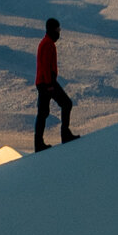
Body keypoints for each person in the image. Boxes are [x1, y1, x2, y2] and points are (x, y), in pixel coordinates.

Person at [34, 18, 79, 151]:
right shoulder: (48, 44)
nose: (59, 32)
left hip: (42, 82)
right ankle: (65, 134)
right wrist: (49, 84)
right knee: (66, 103)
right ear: (52, 29)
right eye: (58, 29)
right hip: (47, 82)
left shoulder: (45, 43)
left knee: (42, 112)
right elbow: (46, 66)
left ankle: (38, 143)